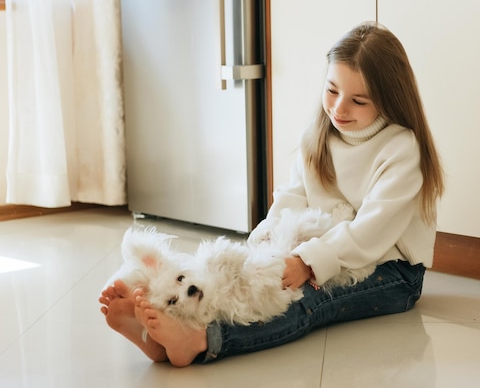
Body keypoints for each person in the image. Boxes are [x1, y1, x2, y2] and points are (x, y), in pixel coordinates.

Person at [99, 21, 445, 367]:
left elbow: (373, 230)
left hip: (393, 271)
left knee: (308, 299)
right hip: (317, 249)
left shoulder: (401, 149)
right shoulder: (320, 133)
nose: (339, 109)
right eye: (331, 90)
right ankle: (167, 322)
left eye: (358, 101)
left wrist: (308, 263)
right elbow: (292, 197)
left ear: (389, 99)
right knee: (230, 279)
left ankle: (204, 339)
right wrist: (264, 241)